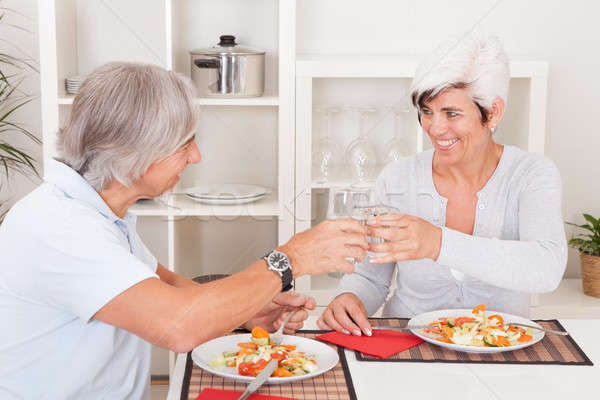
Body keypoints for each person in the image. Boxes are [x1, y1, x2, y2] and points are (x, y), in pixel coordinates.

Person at [0, 62, 369, 399]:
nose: (196, 157)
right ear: (133, 152)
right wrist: (290, 259)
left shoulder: (98, 211)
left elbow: (168, 288)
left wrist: (244, 312)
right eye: (183, 143)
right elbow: (180, 326)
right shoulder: (60, 227)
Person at [318, 35, 567, 337]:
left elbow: (546, 268)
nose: (435, 128)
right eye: (426, 111)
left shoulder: (531, 174)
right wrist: (350, 298)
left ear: (493, 113)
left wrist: (438, 243)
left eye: (451, 113)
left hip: (502, 349)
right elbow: (372, 277)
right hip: (408, 345)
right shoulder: (398, 178)